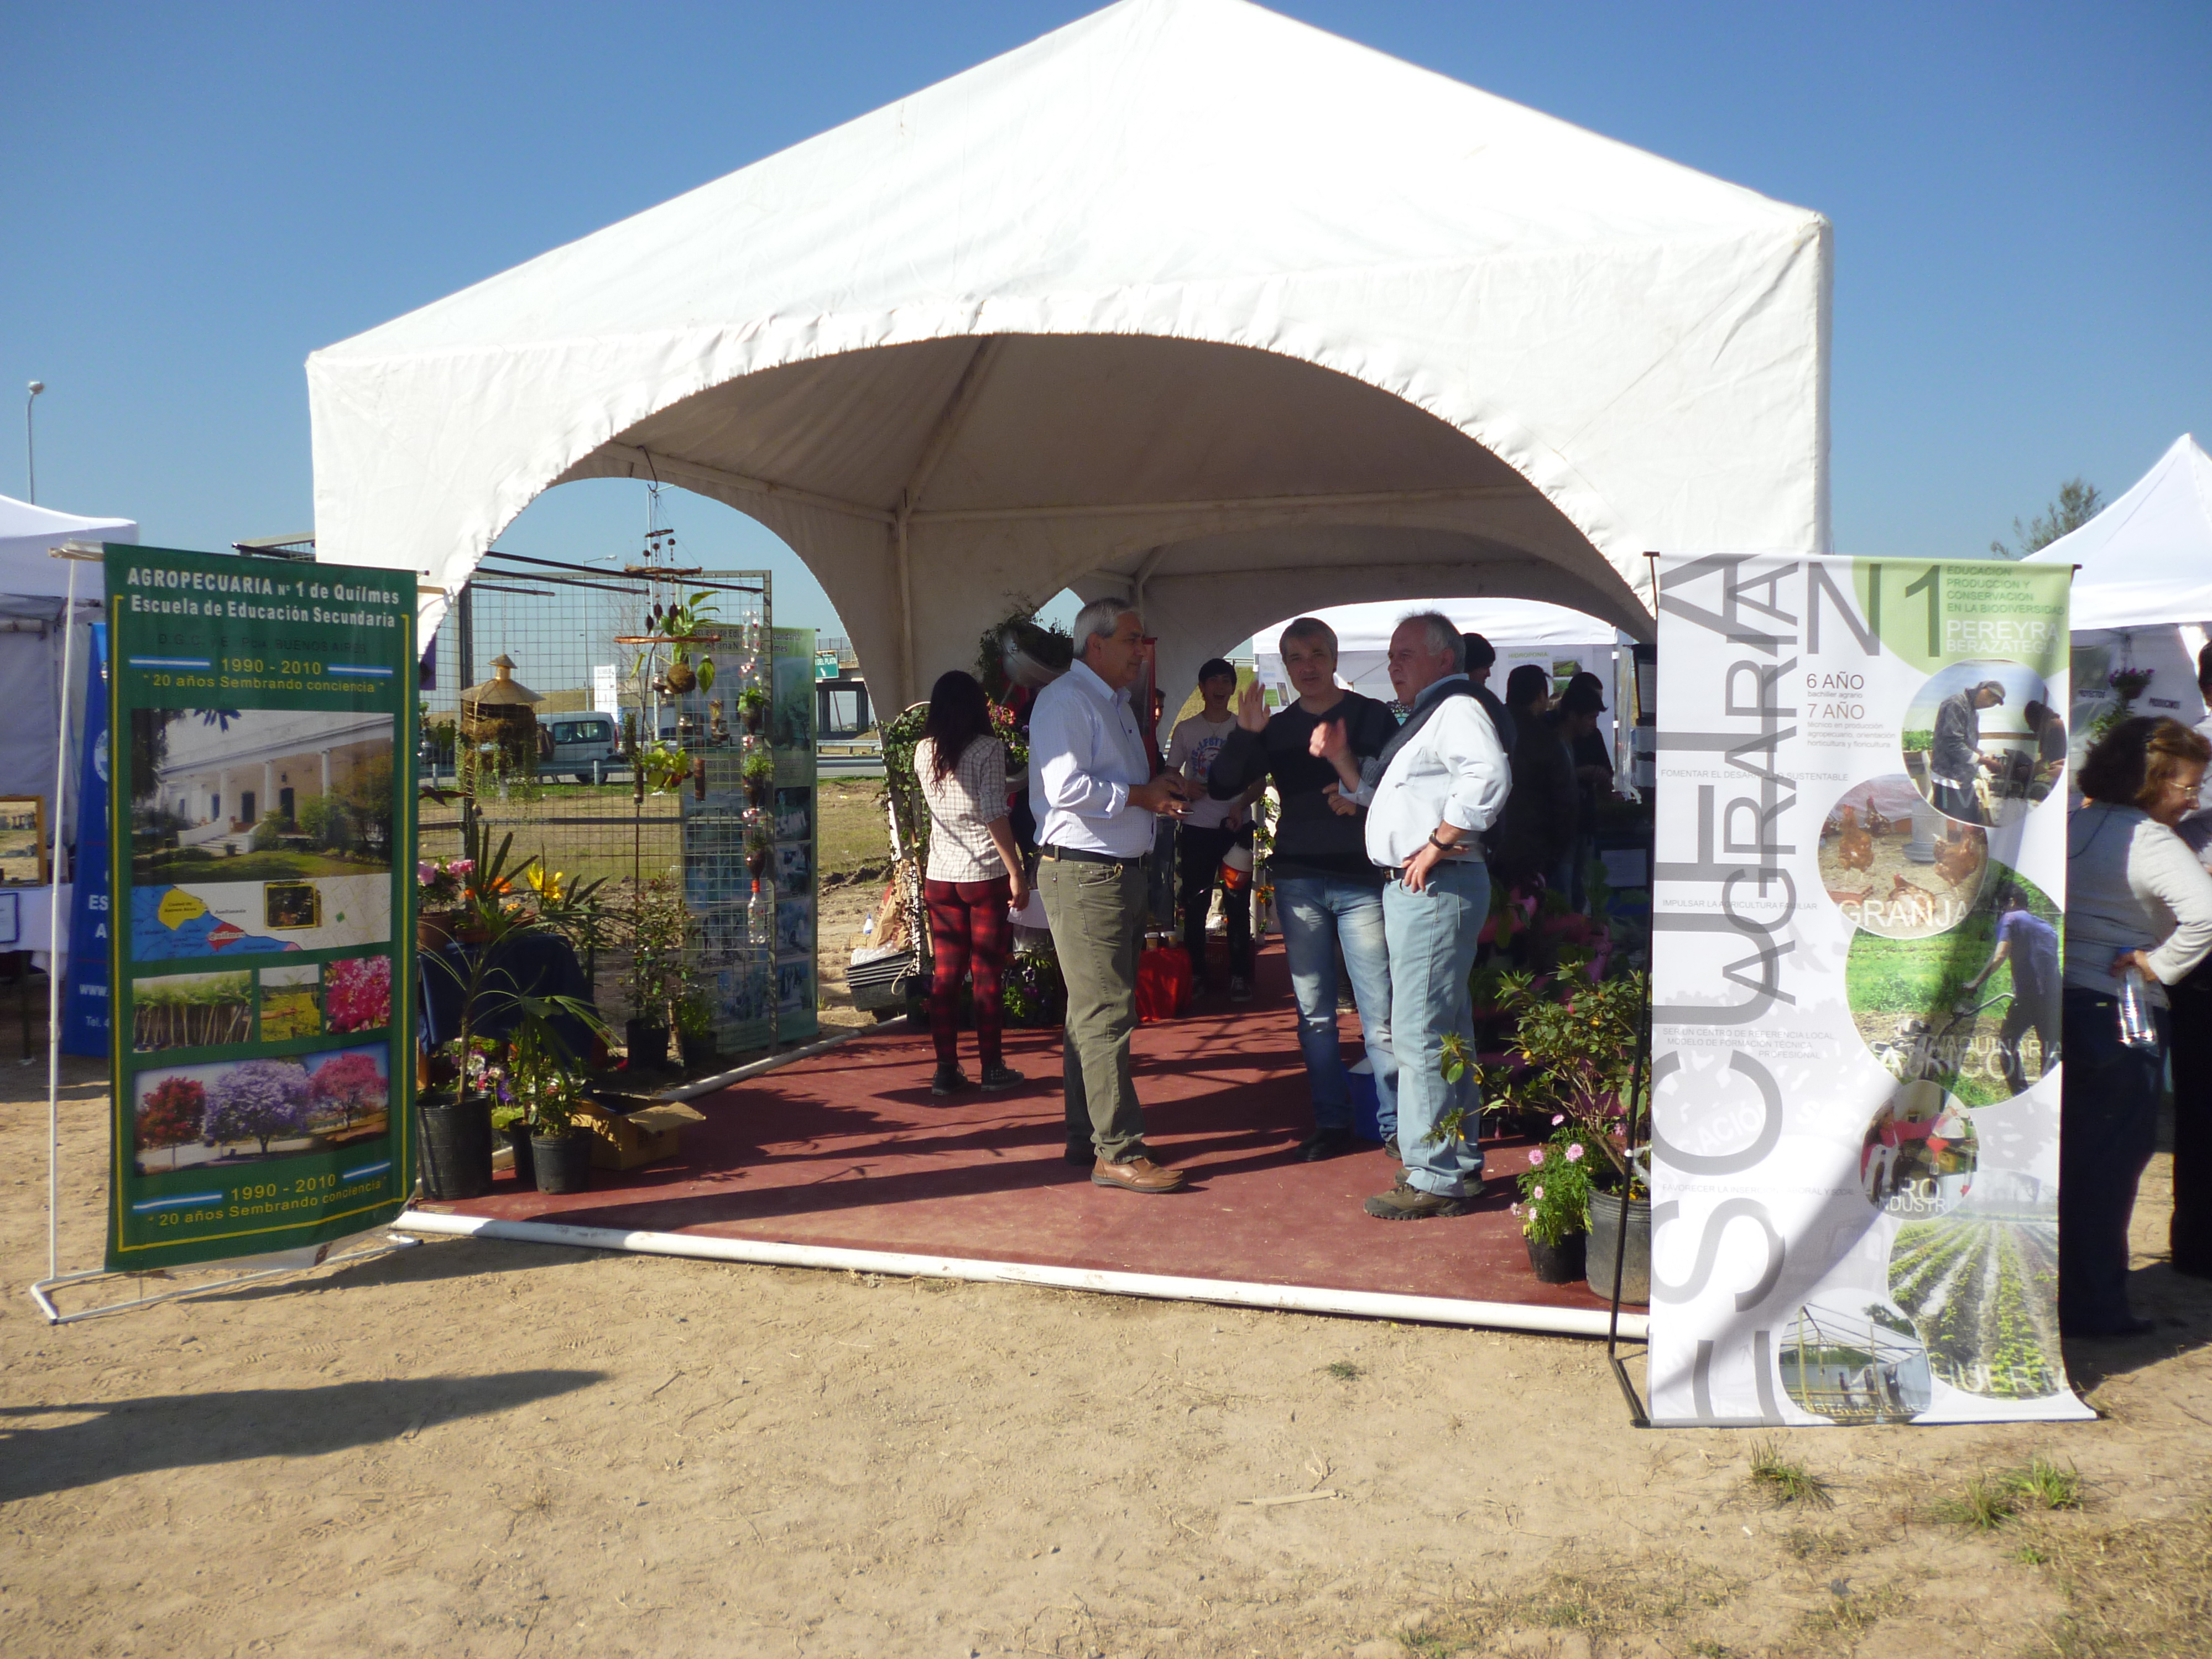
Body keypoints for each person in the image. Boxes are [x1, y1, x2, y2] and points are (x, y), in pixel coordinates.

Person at [1317, 612, 1510, 1218]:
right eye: (1392, 654)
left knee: (1422, 1032)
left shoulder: (1455, 709)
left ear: (1443, 658)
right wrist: (1345, 764)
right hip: (1428, 883)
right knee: (1442, 1031)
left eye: (1405, 654)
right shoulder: (1437, 711)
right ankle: (1450, 1164)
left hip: (1433, 882)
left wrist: (1436, 842)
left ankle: (1434, 1174)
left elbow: (1487, 776)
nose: (1393, 664)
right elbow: (1395, 794)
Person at [1209, 618, 1401, 1161]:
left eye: (1316, 653)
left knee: (1378, 1013)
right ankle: (1332, 1121)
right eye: (1295, 658)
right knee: (1314, 1013)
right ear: (1286, 668)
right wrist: (1245, 733)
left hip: (1361, 878)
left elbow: (1396, 787)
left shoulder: (1371, 715)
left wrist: (1354, 784)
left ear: (1335, 657)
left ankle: (1392, 1125)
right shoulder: (1275, 727)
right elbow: (1222, 786)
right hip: (1297, 879)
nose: (1307, 665)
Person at [1029, 596, 1198, 1194]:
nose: (1140, 651)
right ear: (1094, 645)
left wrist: (1156, 788)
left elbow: (1115, 785)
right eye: (1130, 640)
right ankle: (1118, 1149)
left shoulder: (1112, 704)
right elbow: (1065, 786)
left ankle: (1090, 1135)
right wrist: (1140, 797)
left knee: (1091, 1015)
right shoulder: (1067, 702)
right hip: (1085, 873)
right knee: (1106, 1015)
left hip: (1112, 871)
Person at [2061, 716, 2212, 1335]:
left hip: (2063, 1005)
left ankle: (2064, 1294)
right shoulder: (2149, 842)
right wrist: (2158, 965)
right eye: (2186, 785)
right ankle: (2095, 1309)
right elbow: (2206, 918)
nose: (2193, 797)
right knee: (2110, 1169)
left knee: (2068, 1163)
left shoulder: (2076, 823)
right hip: (2122, 1018)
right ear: (2152, 781)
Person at [914, 671, 1030, 1097]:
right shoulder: (988, 749)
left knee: (945, 975)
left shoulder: (923, 751)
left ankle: (946, 1069)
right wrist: (1016, 871)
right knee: (986, 974)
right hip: (984, 874)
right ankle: (992, 1067)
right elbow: (995, 813)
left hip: (940, 875)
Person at [1165, 658, 1255, 999]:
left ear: (1233, 688)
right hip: (1197, 828)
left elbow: (1259, 781)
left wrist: (1240, 804)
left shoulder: (1244, 729)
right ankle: (1197, 974)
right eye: (1213, 681)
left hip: (1236, 827)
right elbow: (1170, 773)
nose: (1220, 687)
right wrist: (1184, 787)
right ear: (1202, 688)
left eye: (1226, 681)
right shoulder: (1187, 730)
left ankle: (1239, 976)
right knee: (1196, 902)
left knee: (1237, 902)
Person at [1959, 885, 2060, 1095]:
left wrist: (1975, 983)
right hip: (2054, 997)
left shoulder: (2011, 919)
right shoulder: (2048, 927)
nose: (2000, 910)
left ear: (2012, 902)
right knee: (2051, 1049)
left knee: (2007, 1044)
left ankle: (2020, 1094)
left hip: (2028, 996)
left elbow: (2000, 955)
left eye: (2001, 904)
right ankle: (2049, 1095)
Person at [1488, 664, 1577, 896]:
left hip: (1489, 848)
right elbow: (1565, 805)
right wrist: (1554, 858)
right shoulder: (1547, 741)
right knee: (1535, 921)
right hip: (1533, 853)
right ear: (1540, 696)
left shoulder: (1489, 730)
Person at [1554, 672, 1615, 908]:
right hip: (1562, 831)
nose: (1594, 724)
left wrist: (1602, 780)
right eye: (1591, 717)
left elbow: (1607, 774)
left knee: (1580, 891)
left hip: (1585, 824)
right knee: (1564, 893)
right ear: (1573, 715)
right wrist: (1581, 774)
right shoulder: (1552, 741)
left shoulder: (1591, 736)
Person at [1928, 680, 2007, 824]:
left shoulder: (1973, 713)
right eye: (1990, 696)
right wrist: (1983, 761)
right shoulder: (1956, 704)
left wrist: (1983, 756)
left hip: (1964, 779)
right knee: (1952, 826)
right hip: (1949, 778)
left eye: (1995, 702)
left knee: (1972, 821)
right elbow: (1952, 744)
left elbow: (1969, 744)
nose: (1990, 703)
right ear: (1980, 689)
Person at [1460, 633, 1517, 754]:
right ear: (1470, 666)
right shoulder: (1477, 702)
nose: (1489, 674)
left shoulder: (1483, 700)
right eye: (1485, 667)